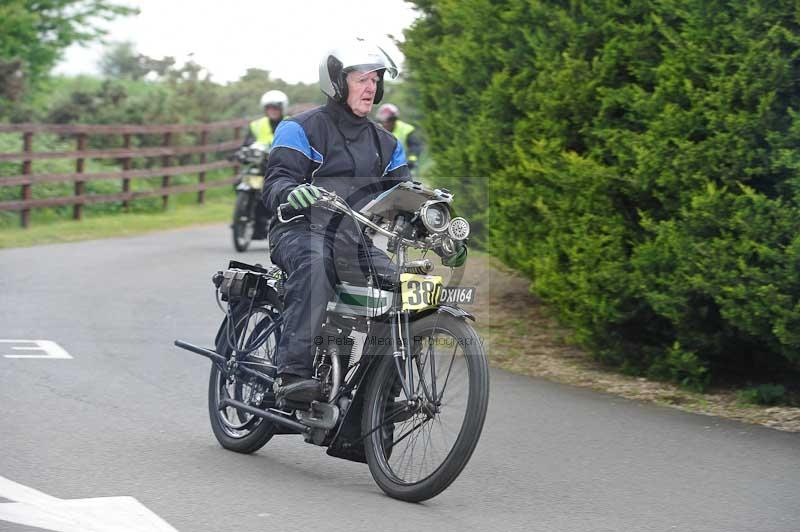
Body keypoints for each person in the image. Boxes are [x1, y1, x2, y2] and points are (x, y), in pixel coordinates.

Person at [262, 39, 467, 405]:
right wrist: (291, 192)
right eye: (361, 79)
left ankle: (379, 404)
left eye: (376, 79)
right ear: (338, 83)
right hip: (299, 232)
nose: (371, 87)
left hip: (353, 242)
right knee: (315, 266)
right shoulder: (300, 128)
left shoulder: (387, 144)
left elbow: (404, 202)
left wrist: (440, 236)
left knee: (408, 290)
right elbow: (278, 180)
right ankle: (292, 374)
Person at [376, 103, 422, 171]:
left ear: (394, 120)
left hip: (403, 167)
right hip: (381, 168)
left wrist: (412, 159)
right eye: (383, 121)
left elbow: (414, 146)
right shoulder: (375, 130)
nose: (386, 124)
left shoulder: (406, 129)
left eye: (389, 121)